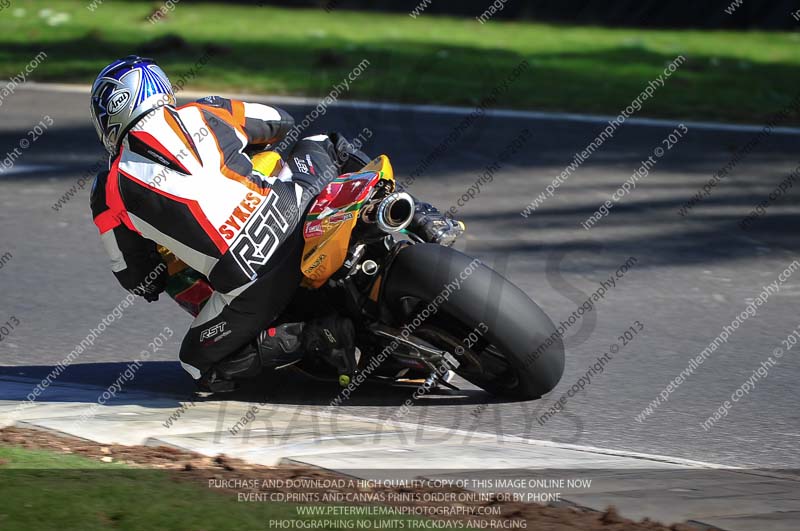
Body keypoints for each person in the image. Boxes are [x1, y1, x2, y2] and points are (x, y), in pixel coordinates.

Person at [89, 55, 461, 393]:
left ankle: (320, 335)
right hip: (297, 209)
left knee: (197, 367)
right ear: (159, 87)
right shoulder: (202, 111)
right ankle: (425, 217)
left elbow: (138, 277)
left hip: (251, 281)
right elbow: (278, 122)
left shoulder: (108, 190)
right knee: (323, 142)